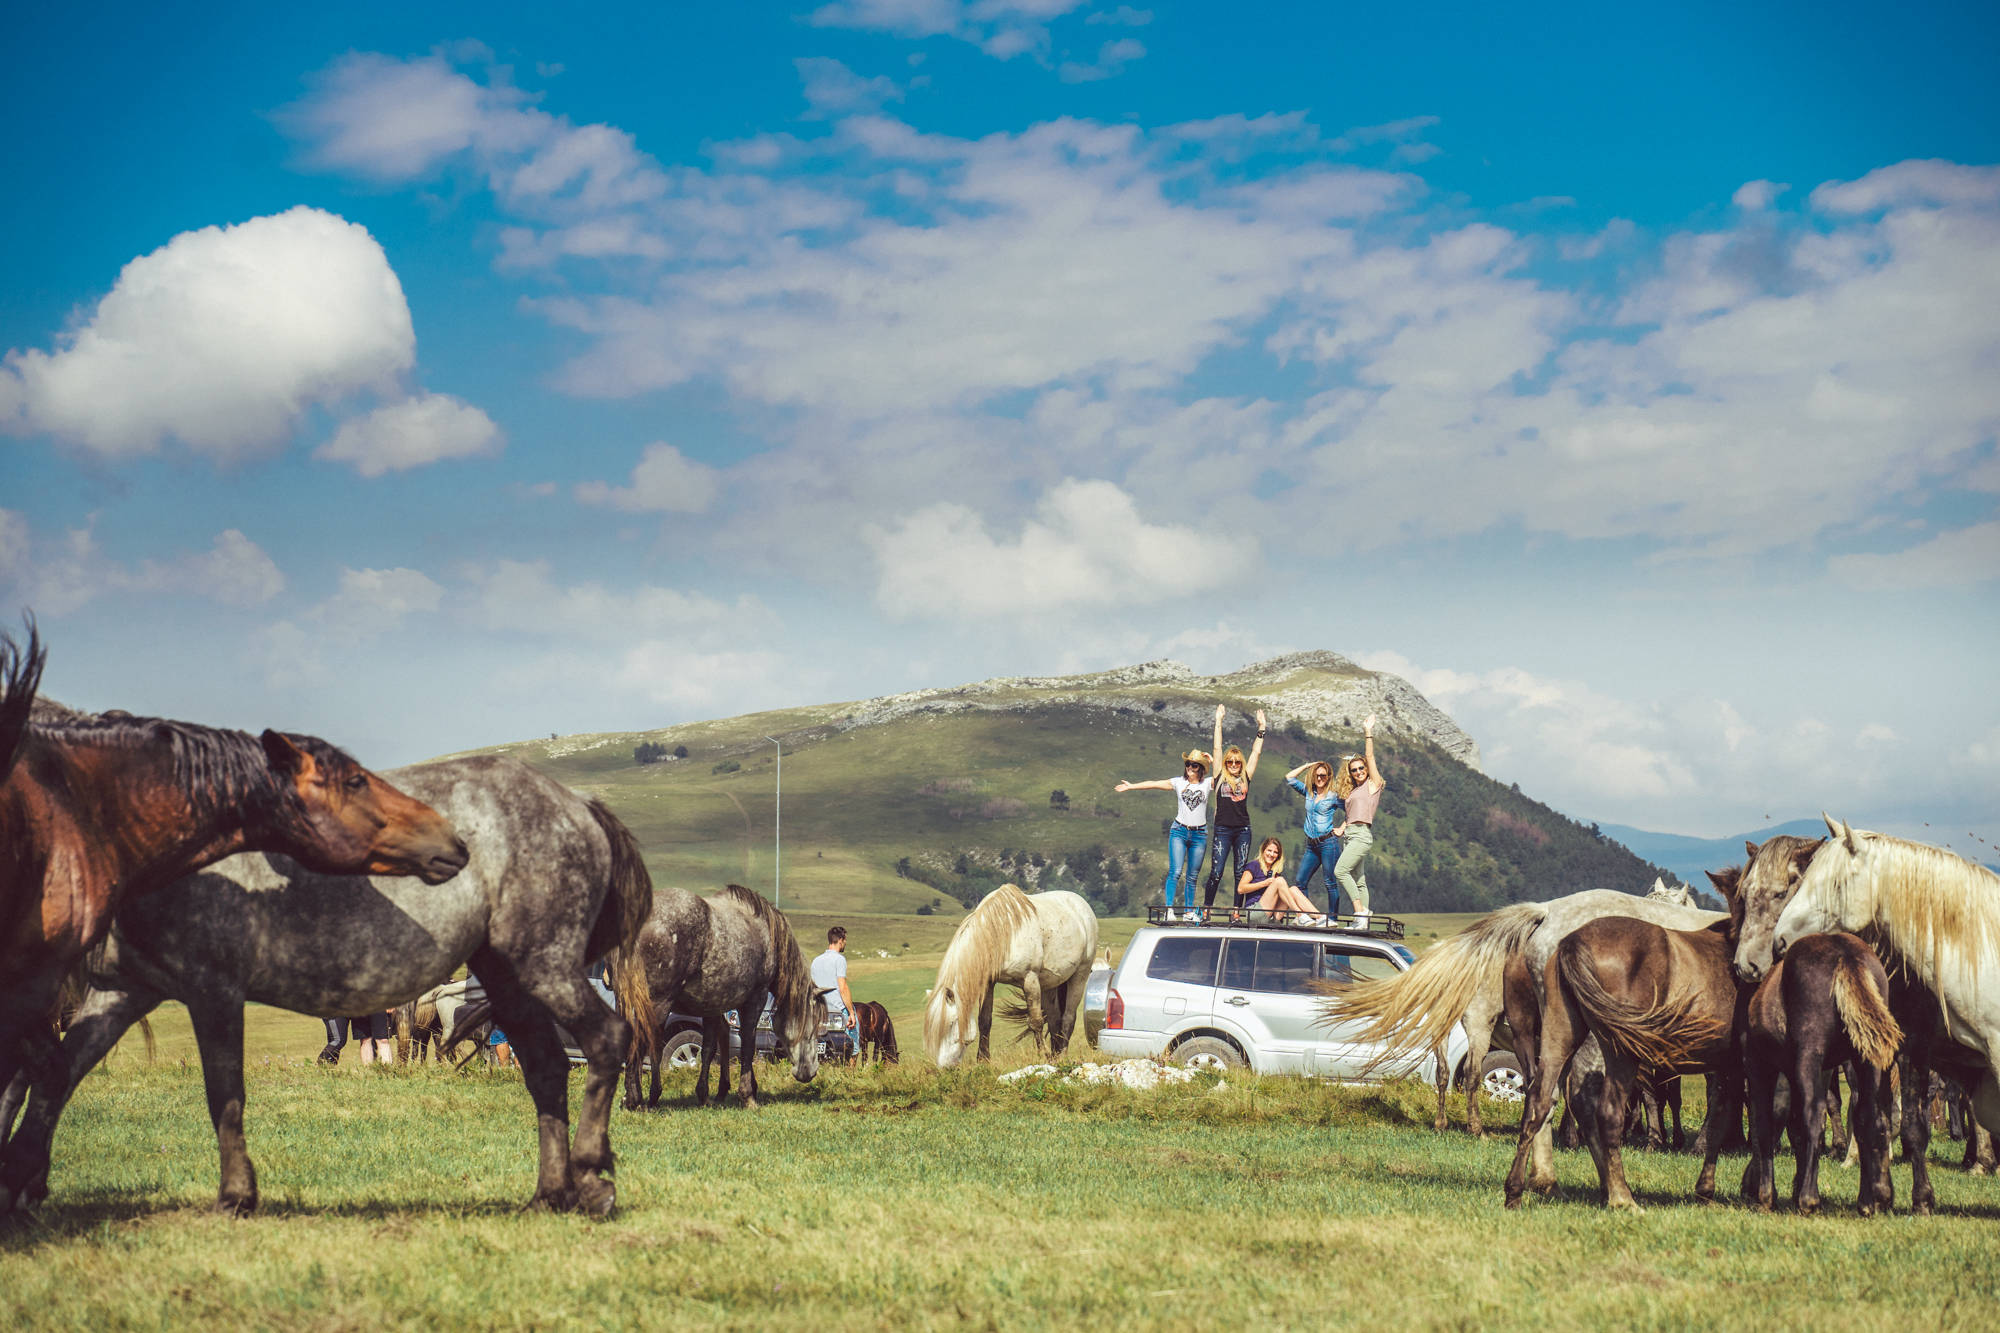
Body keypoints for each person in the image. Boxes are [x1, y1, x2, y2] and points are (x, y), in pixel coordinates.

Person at [1115, 749, 1215, 921]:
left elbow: (1224, 777)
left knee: (1192, 876)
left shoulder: (1207, 784)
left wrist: (1213, 761)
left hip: (1199, 834)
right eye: (1188, 764)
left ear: (1201, 768)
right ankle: (1169, 910)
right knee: (1175, 871)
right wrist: (1132, 786)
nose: (1190, 767)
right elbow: (1154, 783)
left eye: (1195, 765)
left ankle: (1189, 912)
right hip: (1179, 831)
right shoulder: (1178, 782)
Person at [1201, 706, 1267, 916]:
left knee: (1240, 872)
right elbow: (1217, 748)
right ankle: (1206, 910)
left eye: (1237, 762)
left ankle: (1237, 911)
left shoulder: (1246, 776)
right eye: (1230, 761)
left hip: (1242, 830)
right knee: (1216, 872)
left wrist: (1261, 728)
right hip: (1222, 830)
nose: (1233, 765)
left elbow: (1256, 751)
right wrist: (1218, 721)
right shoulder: (1219, 775)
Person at [1332, 715, 1387, 924]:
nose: (1358, 772)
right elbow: (1351, 815)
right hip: (1350, 834)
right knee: (1359, 880)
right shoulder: (1354, 790)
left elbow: (1370, 757)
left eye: (1361, 768)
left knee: (1340, 871)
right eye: (1354, 770)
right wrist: (1341, 828)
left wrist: (1368, 732)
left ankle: (1359, 911)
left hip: (1362, 835)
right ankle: (1363, 922)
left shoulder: (1374, 784)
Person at [1283, 757, 1346, 915]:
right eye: (1317, 775)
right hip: (1311, 845)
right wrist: (1308, 765)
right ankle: (1310, 916)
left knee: (1330, 883)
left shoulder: (1334, 796)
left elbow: (1352, 811)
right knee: (1300, 882)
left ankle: (1332, 919)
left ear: (1329, 777)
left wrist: (1342, 828)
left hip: (1328, 843)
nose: (1319, 778)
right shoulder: (1308, 792)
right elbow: (1289, 778)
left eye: (1323, 775)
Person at [1236, 836, 1325, 923]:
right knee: (1279, 881)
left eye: (1275, 852)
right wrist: (1264, 883)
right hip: (1254, 913)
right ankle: (1300, 915)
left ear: (1278, 856)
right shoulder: (1254, 865)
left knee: (1293, 889)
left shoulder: (1275, 872)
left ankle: (1320, 918)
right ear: (1263, 851)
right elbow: (1241, 889)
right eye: (1269, 850)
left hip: (1271, 915)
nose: (1271, 854)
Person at [811, 925, 857, 1060]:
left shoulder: (816, 961)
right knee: (853, 1046)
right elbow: (842, 988)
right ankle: (851, 1074)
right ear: (841, 940)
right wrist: (851, 1013)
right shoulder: (839, 959)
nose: (845, 944)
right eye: (845, 941)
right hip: (838, 1011)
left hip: (819, 1011)